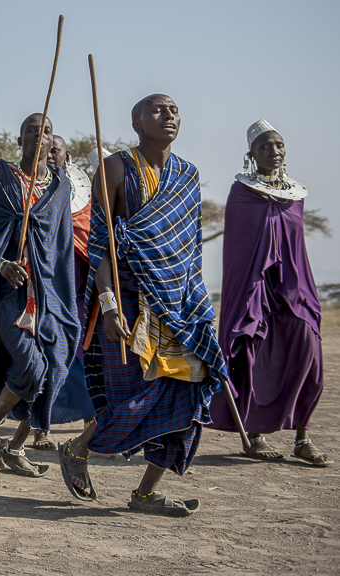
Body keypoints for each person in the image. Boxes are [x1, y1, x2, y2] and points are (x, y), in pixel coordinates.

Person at [59, 94, 226, 517]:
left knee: (187, 391)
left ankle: (146, 493)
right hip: (131, 297)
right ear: (136, 123)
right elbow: (100, 246)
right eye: (156, 110)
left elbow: (188, 251)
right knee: (139, 390)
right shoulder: (115, 167)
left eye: (173, 110)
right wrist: (110, 305)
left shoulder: (188, 175)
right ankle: (78, 449)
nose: (168, 115)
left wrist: (198, 305)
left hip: (179, 304)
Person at [208, 120, 331, 466]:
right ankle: (255, 435)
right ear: (252, 154)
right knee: (250, 352)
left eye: (278, 146)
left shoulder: (295, 195)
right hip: (254, 289)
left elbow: (296, 244)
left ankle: (302, 437)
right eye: (265, 147)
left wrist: (297, 285)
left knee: (309, 349)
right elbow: (238, 247)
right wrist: (253, 289)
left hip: (292, 288)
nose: (273, 152)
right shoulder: (242, 193)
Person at [0, 115, 80, 476]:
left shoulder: (60, 187)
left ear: (52, 142)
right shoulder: (1, 179)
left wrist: (61, 290)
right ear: (20, 139)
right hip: (10, 294)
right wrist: (0, 264)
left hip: (49, 292)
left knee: (55, 369)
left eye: (45, 131)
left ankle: (14, 447)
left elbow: (60, 245)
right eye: (31, 129)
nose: (38, 135)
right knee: (30, 367)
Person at [28, 135, 96, 450]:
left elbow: (91, 242)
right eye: (47, 147)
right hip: (38, 289)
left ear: (67, 154)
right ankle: (41, 428)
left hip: (78, 293)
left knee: (81, 356)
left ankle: (92, 424)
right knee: (42, 357)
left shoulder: (84, 198)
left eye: (57, 148)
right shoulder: (25, 190)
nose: (51, 152)